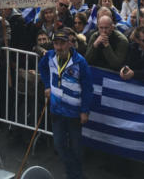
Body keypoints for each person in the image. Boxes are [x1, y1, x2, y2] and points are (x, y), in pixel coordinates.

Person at [38, 28, 92, 179]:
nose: (59, 47)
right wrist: (48, 86)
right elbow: (41, 68)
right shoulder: (49, 56)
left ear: (69, 44)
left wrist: (84, 111)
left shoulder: (80, 62)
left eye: (62, 43)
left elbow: (88, 88)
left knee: (76, 146)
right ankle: (72, 172)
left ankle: (77, 174)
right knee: (59, 145)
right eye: (56, 43)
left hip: (74, 112)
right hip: (56, 109)